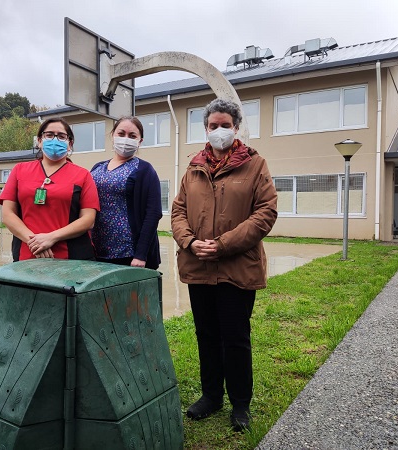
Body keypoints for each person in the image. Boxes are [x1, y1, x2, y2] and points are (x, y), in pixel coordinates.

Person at [171, 98, 278, 432]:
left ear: (236, 127)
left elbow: (266, 212)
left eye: (225, 124)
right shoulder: (193, 167)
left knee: (235, 337)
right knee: (206, 335)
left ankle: (240, 404)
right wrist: (189, 241)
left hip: (237, 268)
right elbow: (177, 212)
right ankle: (211, 396)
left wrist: (222, 245)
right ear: (206, 129)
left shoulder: (255, 165)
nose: (219, 130)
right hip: (198, 267)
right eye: (213, 125)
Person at [0, 117, 99, 261]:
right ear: (39, 141)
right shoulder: (19, 170)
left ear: (69, 144)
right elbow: (8, 214)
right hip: (27, 255)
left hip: (73, 259)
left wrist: (51, 238)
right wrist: (35, 243)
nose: (55, 139)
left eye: (61, 136)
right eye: (49, 135)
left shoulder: (83, 175)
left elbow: (88, 219)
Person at [90, 116, 163, 269]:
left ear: (140, 141)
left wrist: (141, 254)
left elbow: (153, 213)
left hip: (129, 255)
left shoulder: (144, 170)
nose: (125, 139)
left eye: (132, 136)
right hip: (97, 250)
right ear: (113, 136)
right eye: (121, 134)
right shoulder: (97, 168)